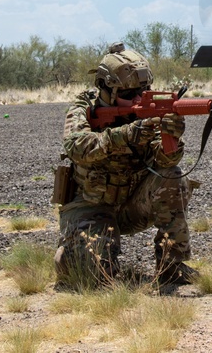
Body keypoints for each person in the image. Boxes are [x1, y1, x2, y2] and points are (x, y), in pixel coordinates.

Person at [54, 42, 197, 290]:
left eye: (144, 90)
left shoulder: (146, 112)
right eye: (129, 94)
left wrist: (171, 139)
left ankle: (171, 268)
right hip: (91, 205)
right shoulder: (83, 109)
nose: (139, 99)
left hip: (133, 205)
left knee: (173, 177)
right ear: (106, 89)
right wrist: (126, 135)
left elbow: (164, 164)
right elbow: (77, 146)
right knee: (94, 279)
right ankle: (71, 255)